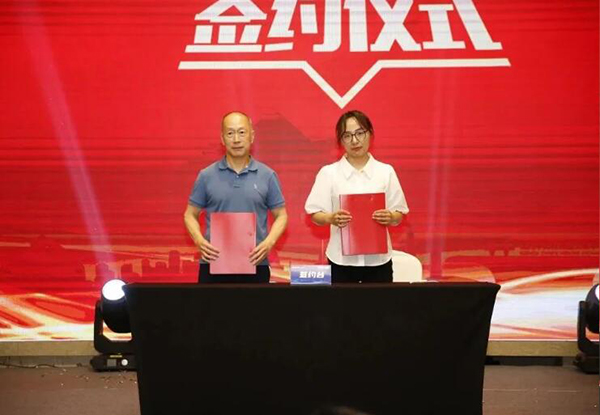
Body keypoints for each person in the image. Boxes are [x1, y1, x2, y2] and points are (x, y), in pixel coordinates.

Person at [304, 110, 408, 283]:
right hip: (340, 261)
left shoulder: (386, 172)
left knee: (380, 302)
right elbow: (315, 214)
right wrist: (331, 218)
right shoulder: (328, 173)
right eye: (347, 136)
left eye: (360, 133)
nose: (354, 140)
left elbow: (399, 214)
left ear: (370, 134)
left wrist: (390, 217)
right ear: (340, 141)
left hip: (379, 262)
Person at [183, 111, 287, 283]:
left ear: (252, 136)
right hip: (213, 264)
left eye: (242, 132)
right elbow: (190, 214)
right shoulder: (206, 175)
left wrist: (269, 243)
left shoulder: (267, 175)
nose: (236, 139)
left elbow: (281, 215)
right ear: (222, 139)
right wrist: (199, 240)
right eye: (230, 133)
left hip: (256, 263)